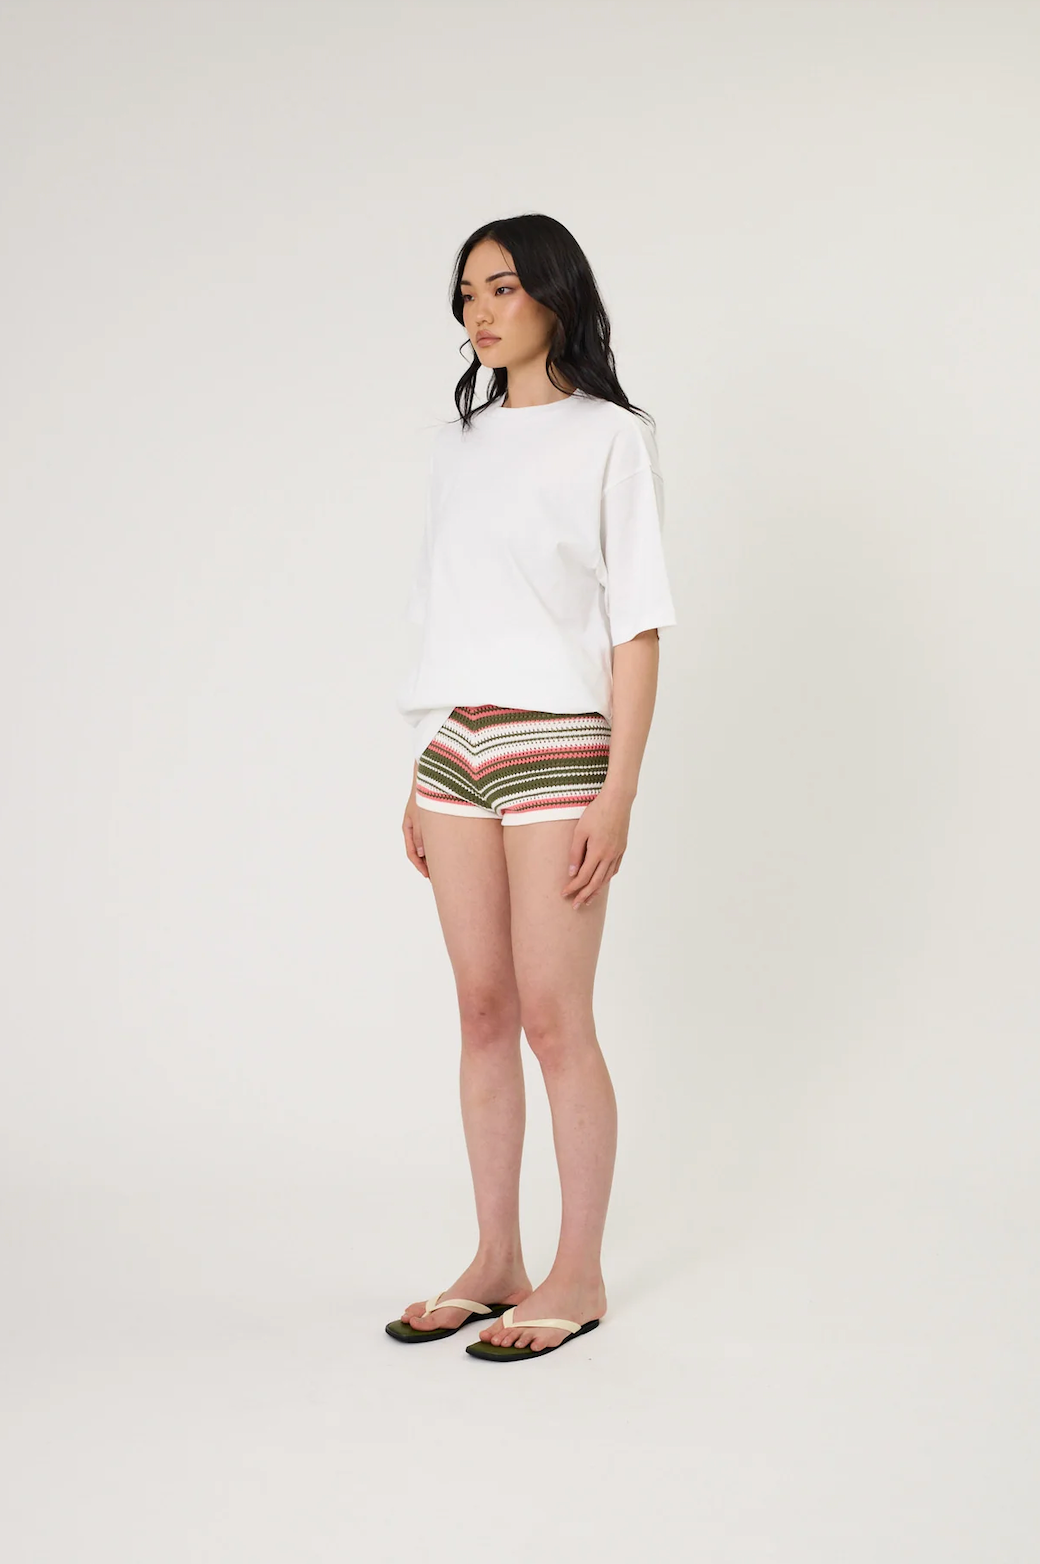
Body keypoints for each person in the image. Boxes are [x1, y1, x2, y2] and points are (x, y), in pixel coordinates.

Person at [386, 213, 677, 1362]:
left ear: (554, 294)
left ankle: (577, 1272)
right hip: (455, 748)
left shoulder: (611, 439)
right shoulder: (454, 448)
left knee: (555, 1020)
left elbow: (637, 626)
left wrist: (619, 793)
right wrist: (421, 762)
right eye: (467, 294)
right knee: (480, 1012)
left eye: (502, 287)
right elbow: (441, 606)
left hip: (559, 748)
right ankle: (496, 1257)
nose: (481, 311)